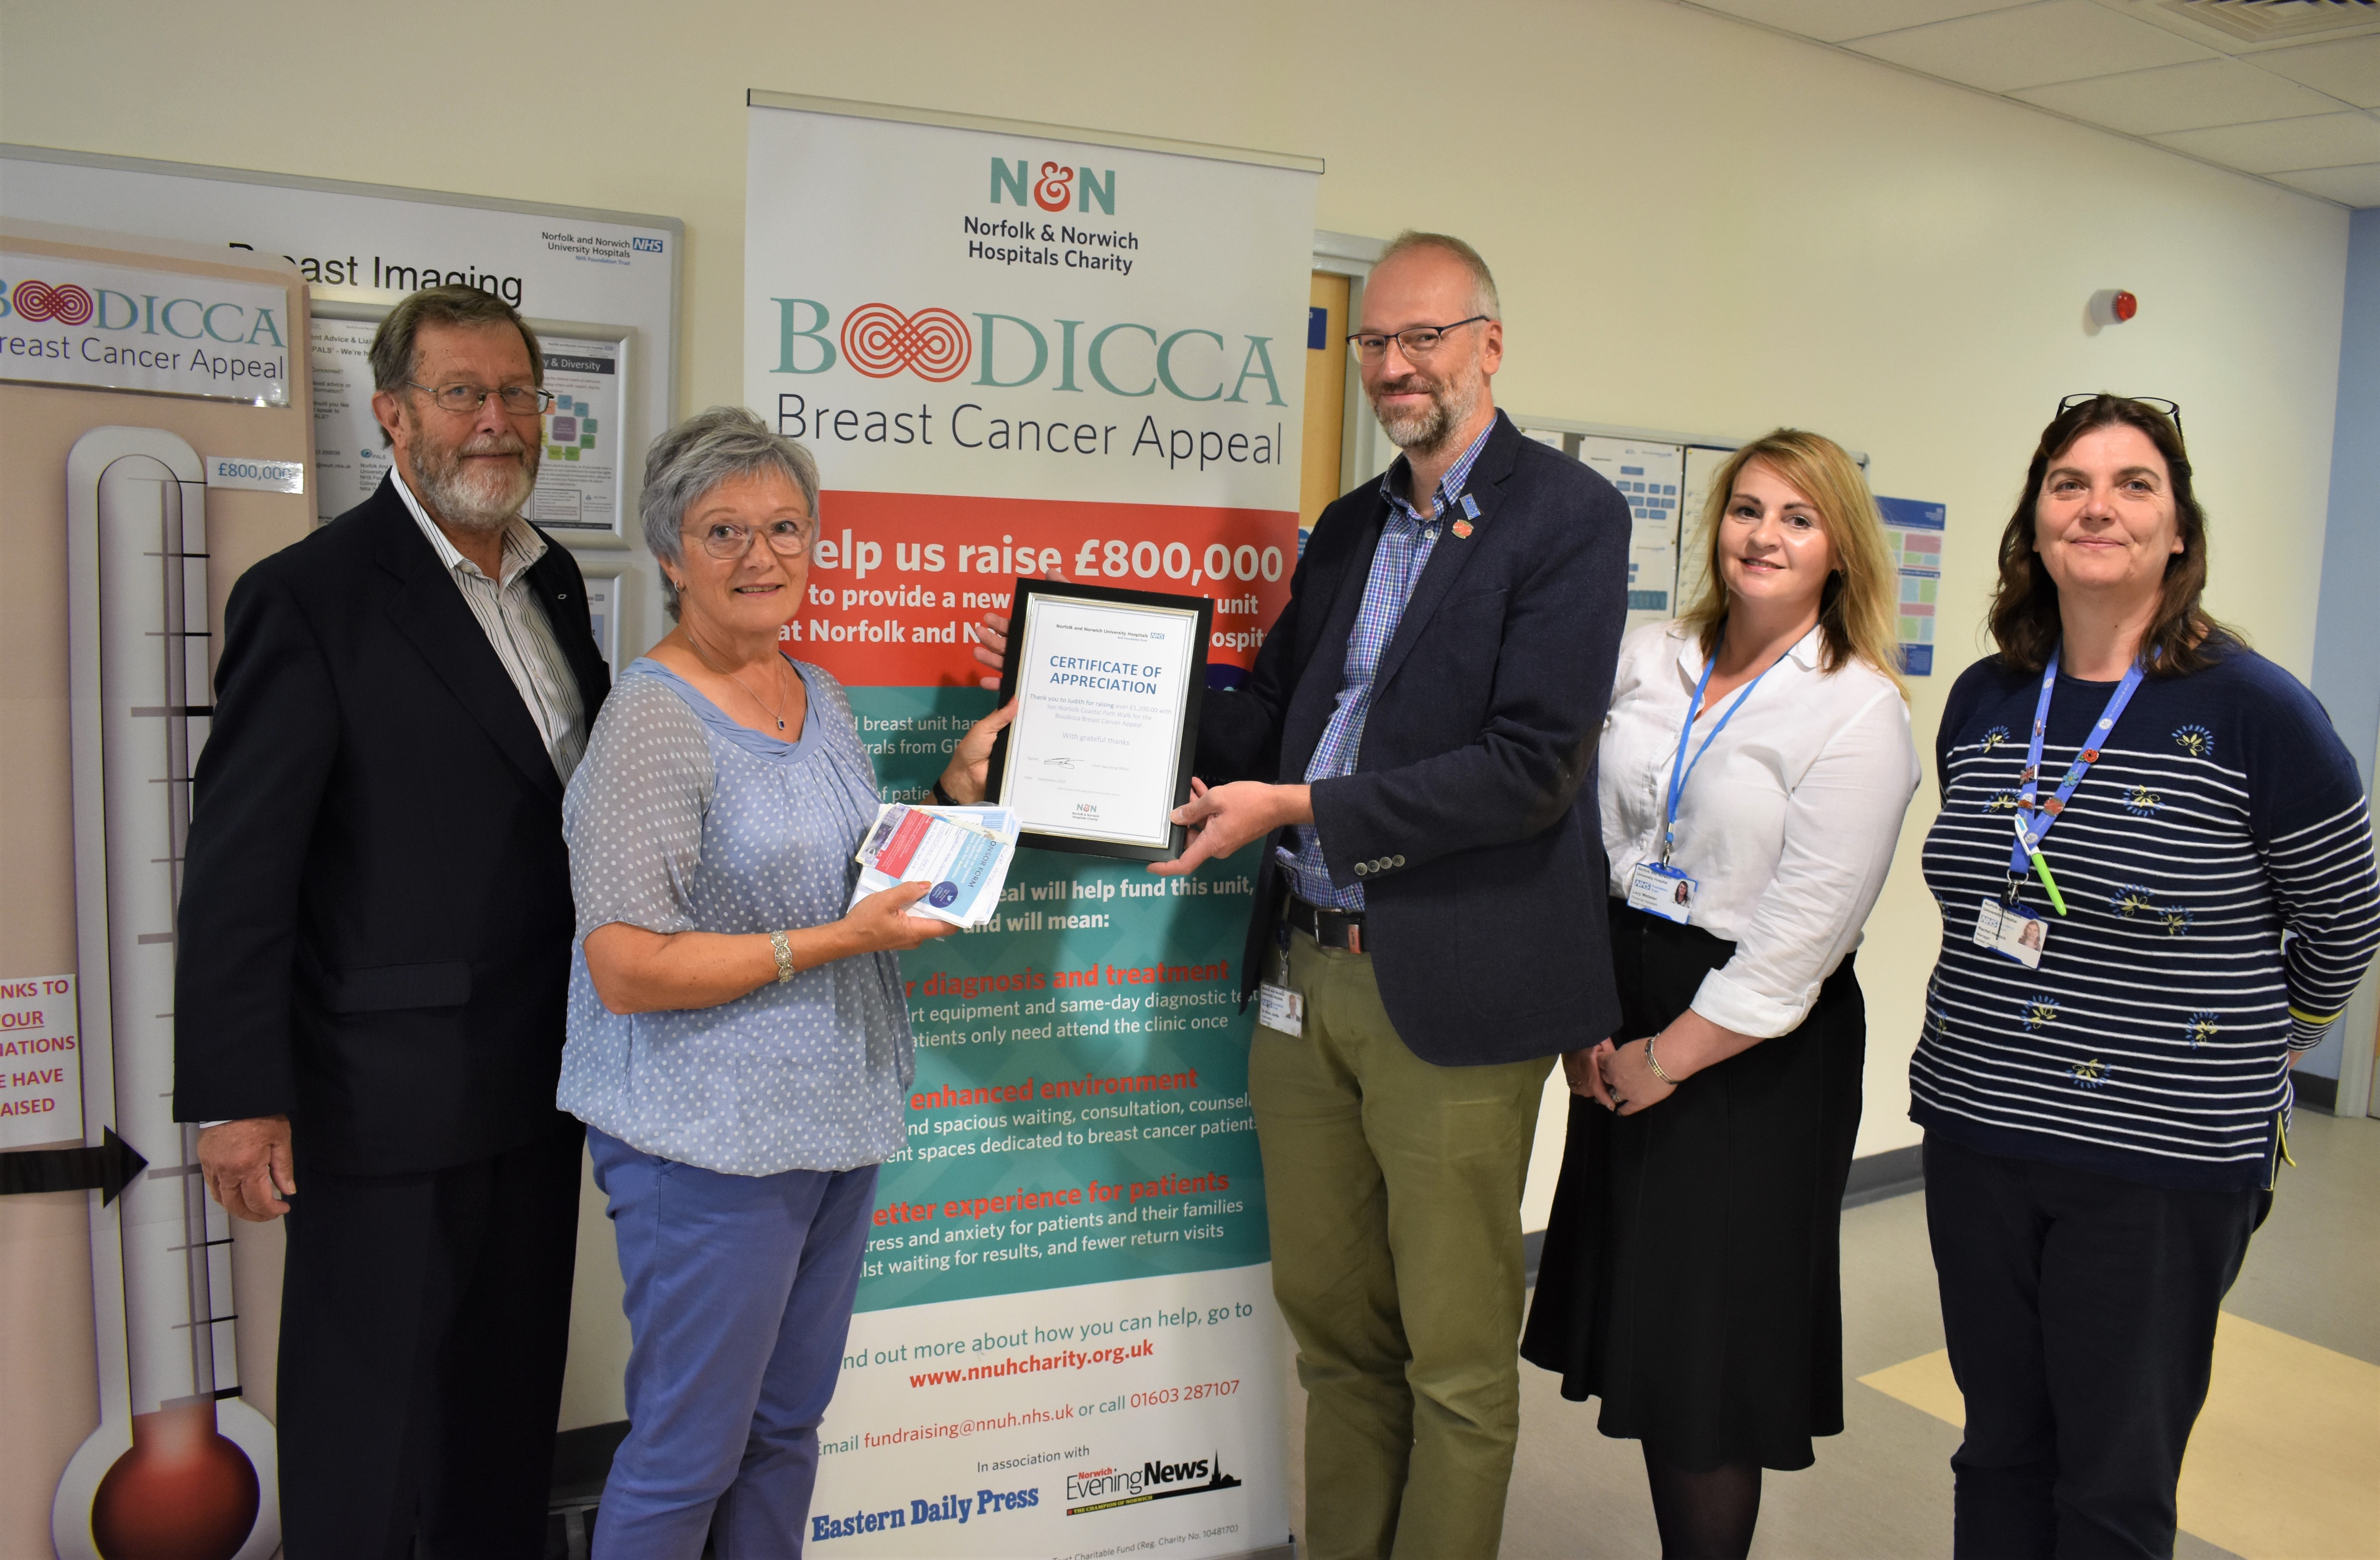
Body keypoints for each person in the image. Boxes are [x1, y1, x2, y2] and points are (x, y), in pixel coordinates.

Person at [973, 231, 1630, 1558]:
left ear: (1489, 345)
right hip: (1302, 971)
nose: (1394, 365)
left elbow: (1529, 769)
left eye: (1423, 338)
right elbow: (1272, 713)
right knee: (1335, 1336)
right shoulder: (1349, 526)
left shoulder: (1568, 518)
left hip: (1449, 987)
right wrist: (1081, 697)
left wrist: (1307, 810)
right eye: (1377, 342)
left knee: (1451, 1356)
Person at [174, 284, 612, 1555]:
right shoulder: (309, 595)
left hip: (543, 1079)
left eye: (518, 394)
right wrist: (238, 1095)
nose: (495, 421)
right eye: (461, 393)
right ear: (393, 414)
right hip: (382, 1100)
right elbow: (239, 867)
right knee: (370, 1439)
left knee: (502, 1421)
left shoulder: (555, 579)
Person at [1912, 394, 2380, 1560]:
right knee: (1999, 1448)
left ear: (2179, 530)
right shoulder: (1987, 696)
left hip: (2159, 1157)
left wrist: (2278, 1036)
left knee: (2113, 1481)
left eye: (2133, 485)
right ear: (2034, 519)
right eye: (2069, 482)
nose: (2097, 507)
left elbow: (2345, 915)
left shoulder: (2255, 710)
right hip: (1979, 1126)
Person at [559, 406, 1012, 1554]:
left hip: (830, 1128)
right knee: (685, 1453)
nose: (760, 556)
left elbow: (850, 875)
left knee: (784, 1430)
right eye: (723, 531)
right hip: (704, 1148)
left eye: (785, 527)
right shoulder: (651, 722)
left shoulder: (815, 686)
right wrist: (833, 944)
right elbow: (624, 968)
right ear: (671, 554)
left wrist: (956, 792)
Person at [1519, 429, 1919, 1559]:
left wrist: (1670, 1055)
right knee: (1652, 1335)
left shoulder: (1857, 710)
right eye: (1747, 509)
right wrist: (1583, 1014)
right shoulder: (1653, 654)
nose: (1764, 535)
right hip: (1620, 991)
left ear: (1839, 547)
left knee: (1707, 1363)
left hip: (1750, 1053)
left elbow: (1803, 937)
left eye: (1798, 517)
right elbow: (1576, 831)